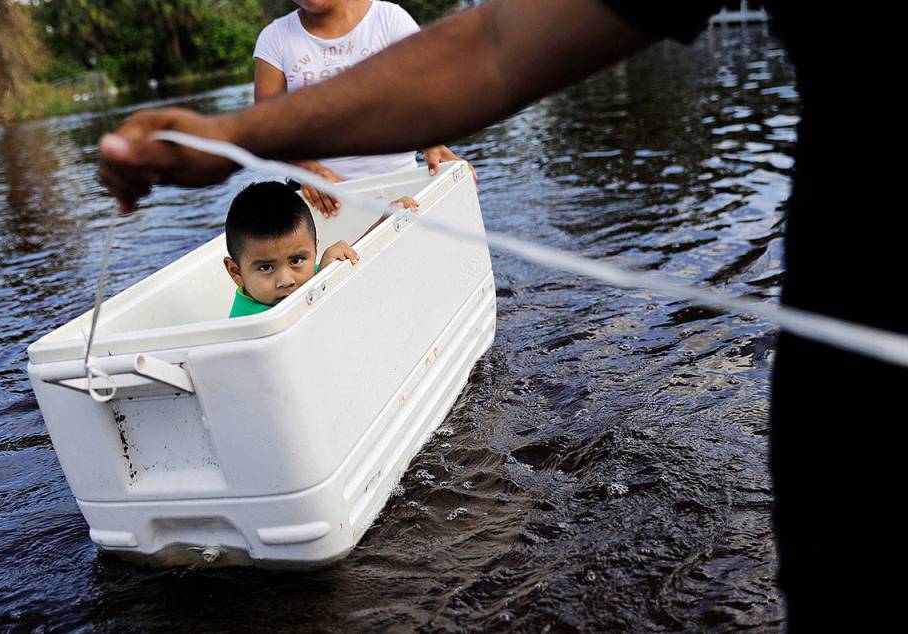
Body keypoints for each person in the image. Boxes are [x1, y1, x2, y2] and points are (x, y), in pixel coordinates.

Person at [98, 0, 907, 628]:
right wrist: (238, 136)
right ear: (238, 271)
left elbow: (485, 51)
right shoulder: (275, 47)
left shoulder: (385, 19)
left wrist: (432, 154)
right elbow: (498, 44)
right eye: (263, 269)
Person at [253, 0, 471, 216]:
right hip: (318, 201)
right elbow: (265, 132)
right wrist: (309, 170)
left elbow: (424, 97)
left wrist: (431, 142)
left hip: (399, 184)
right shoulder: (275, 37)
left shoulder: (389, 19)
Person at [225, 181, 416, 317]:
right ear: (236, 272)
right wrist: (324, 281)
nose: (286, 281)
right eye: (266, 267)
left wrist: (384, 221)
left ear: (315, 249)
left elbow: (357, 255)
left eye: (296, 260)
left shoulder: (305, 278)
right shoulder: (248, 323)